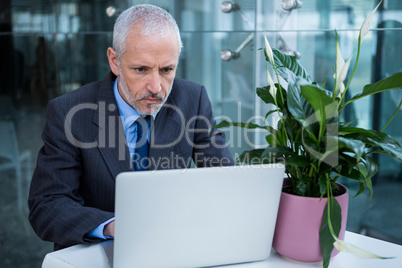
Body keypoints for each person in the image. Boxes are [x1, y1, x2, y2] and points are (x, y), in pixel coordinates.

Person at [28, 4, 234, 250]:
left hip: (172, 249)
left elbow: (226, 181)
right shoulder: (69, 112)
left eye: (167, 70)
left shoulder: (193, 98)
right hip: (99, 253)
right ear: (115, 61)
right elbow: (47, 206)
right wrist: (112, 226)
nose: (156, 87)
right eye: (141, 69)